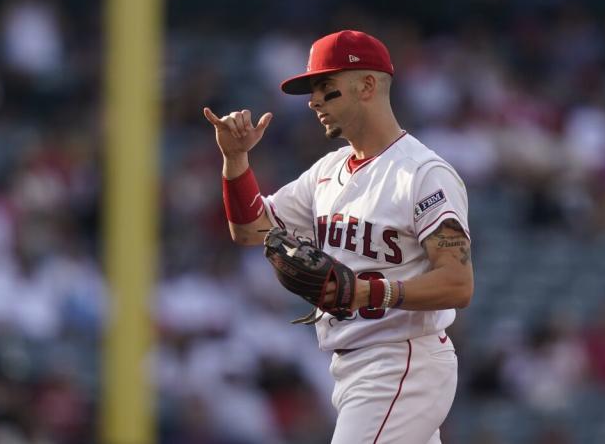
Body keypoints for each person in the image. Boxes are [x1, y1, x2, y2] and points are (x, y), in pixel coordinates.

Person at [203, 30, 474, 443]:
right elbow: (249, 231)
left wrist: (368, 293)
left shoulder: (422, 174)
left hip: (401, 360)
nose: (314, 102)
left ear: (367, 85)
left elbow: (458, 283)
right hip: (354, 366)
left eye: (326, 89)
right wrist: (236, 160)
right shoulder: (327, 172)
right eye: (313, 91)